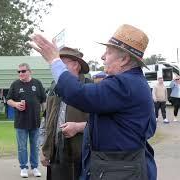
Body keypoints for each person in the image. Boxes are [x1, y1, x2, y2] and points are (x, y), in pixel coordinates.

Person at [30, 24, 157, 180]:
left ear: (124, 59)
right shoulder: (130, 82)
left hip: (120, 170)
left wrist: (55, 61)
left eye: (108, 52)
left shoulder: (125, 84)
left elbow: (79, 94)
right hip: (118, 167)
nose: (103, 57)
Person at [40, 47, 90, 180]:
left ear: (76, 65)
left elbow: (105, 124)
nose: (55, 66)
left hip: (82, 158)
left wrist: (78, 127)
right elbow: (46, 121)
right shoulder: (53, 88)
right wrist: (45, 150)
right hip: (56, 156)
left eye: (61, 63)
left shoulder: (90, 89)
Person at [6, 63, 46, 178]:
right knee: (22, 146)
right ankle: (23, 167)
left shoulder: (37, 83)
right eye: (18, 72)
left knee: (35, 146)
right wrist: (16, 104)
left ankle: (34, 167)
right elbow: (8, 100)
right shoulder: (15, 84)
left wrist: (46, 114)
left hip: (35, 121)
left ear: (29, 71)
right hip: (21, 122)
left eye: (23, 71)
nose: (20, 73)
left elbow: (43, 100)